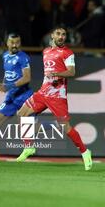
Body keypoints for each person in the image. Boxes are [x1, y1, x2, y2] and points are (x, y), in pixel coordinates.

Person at [15, 27, 93, 171]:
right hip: (43, 93)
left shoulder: (67, 53)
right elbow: (48, 74)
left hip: (57, 95)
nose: (61, 36)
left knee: (65, 127)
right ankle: (29, 147)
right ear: (52, 36)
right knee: (22, 113)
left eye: (64, 34)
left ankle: (84, 151)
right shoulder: (46, 51)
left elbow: (72, 71)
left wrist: (57, 74)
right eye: (58, 34)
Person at [0, 34, 33, 164]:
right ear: (7, 43)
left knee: (31, 127)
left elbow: (27, 78)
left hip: (24, 95)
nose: (15, 45)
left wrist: (9, 86)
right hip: (11, 97)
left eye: (17, 42)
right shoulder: (5, 56)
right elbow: (7, 74)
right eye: (12, 42)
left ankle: (56, 125)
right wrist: (4, 85)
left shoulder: (23, 57)